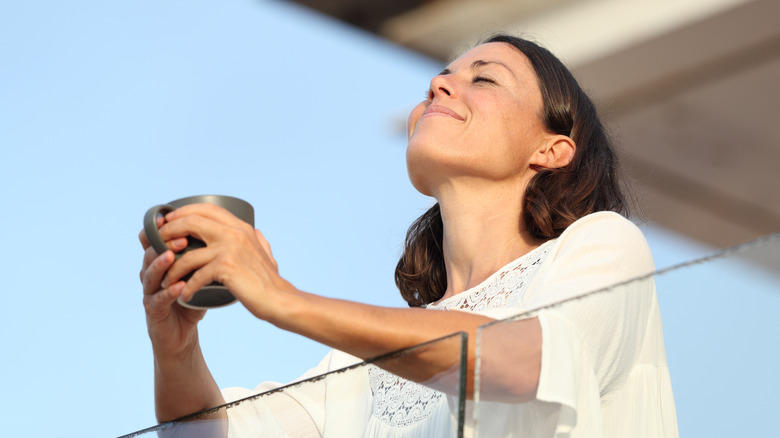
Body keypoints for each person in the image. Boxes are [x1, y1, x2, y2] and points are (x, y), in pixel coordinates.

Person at [139, 34, 678, 437]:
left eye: (483, 78)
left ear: (552, 150)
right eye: (438, 80)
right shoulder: (362, 362)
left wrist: (281, 299)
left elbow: (525, 364)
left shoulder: (604, 245)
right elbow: (205, 433)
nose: (439, 86)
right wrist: (177, 349)